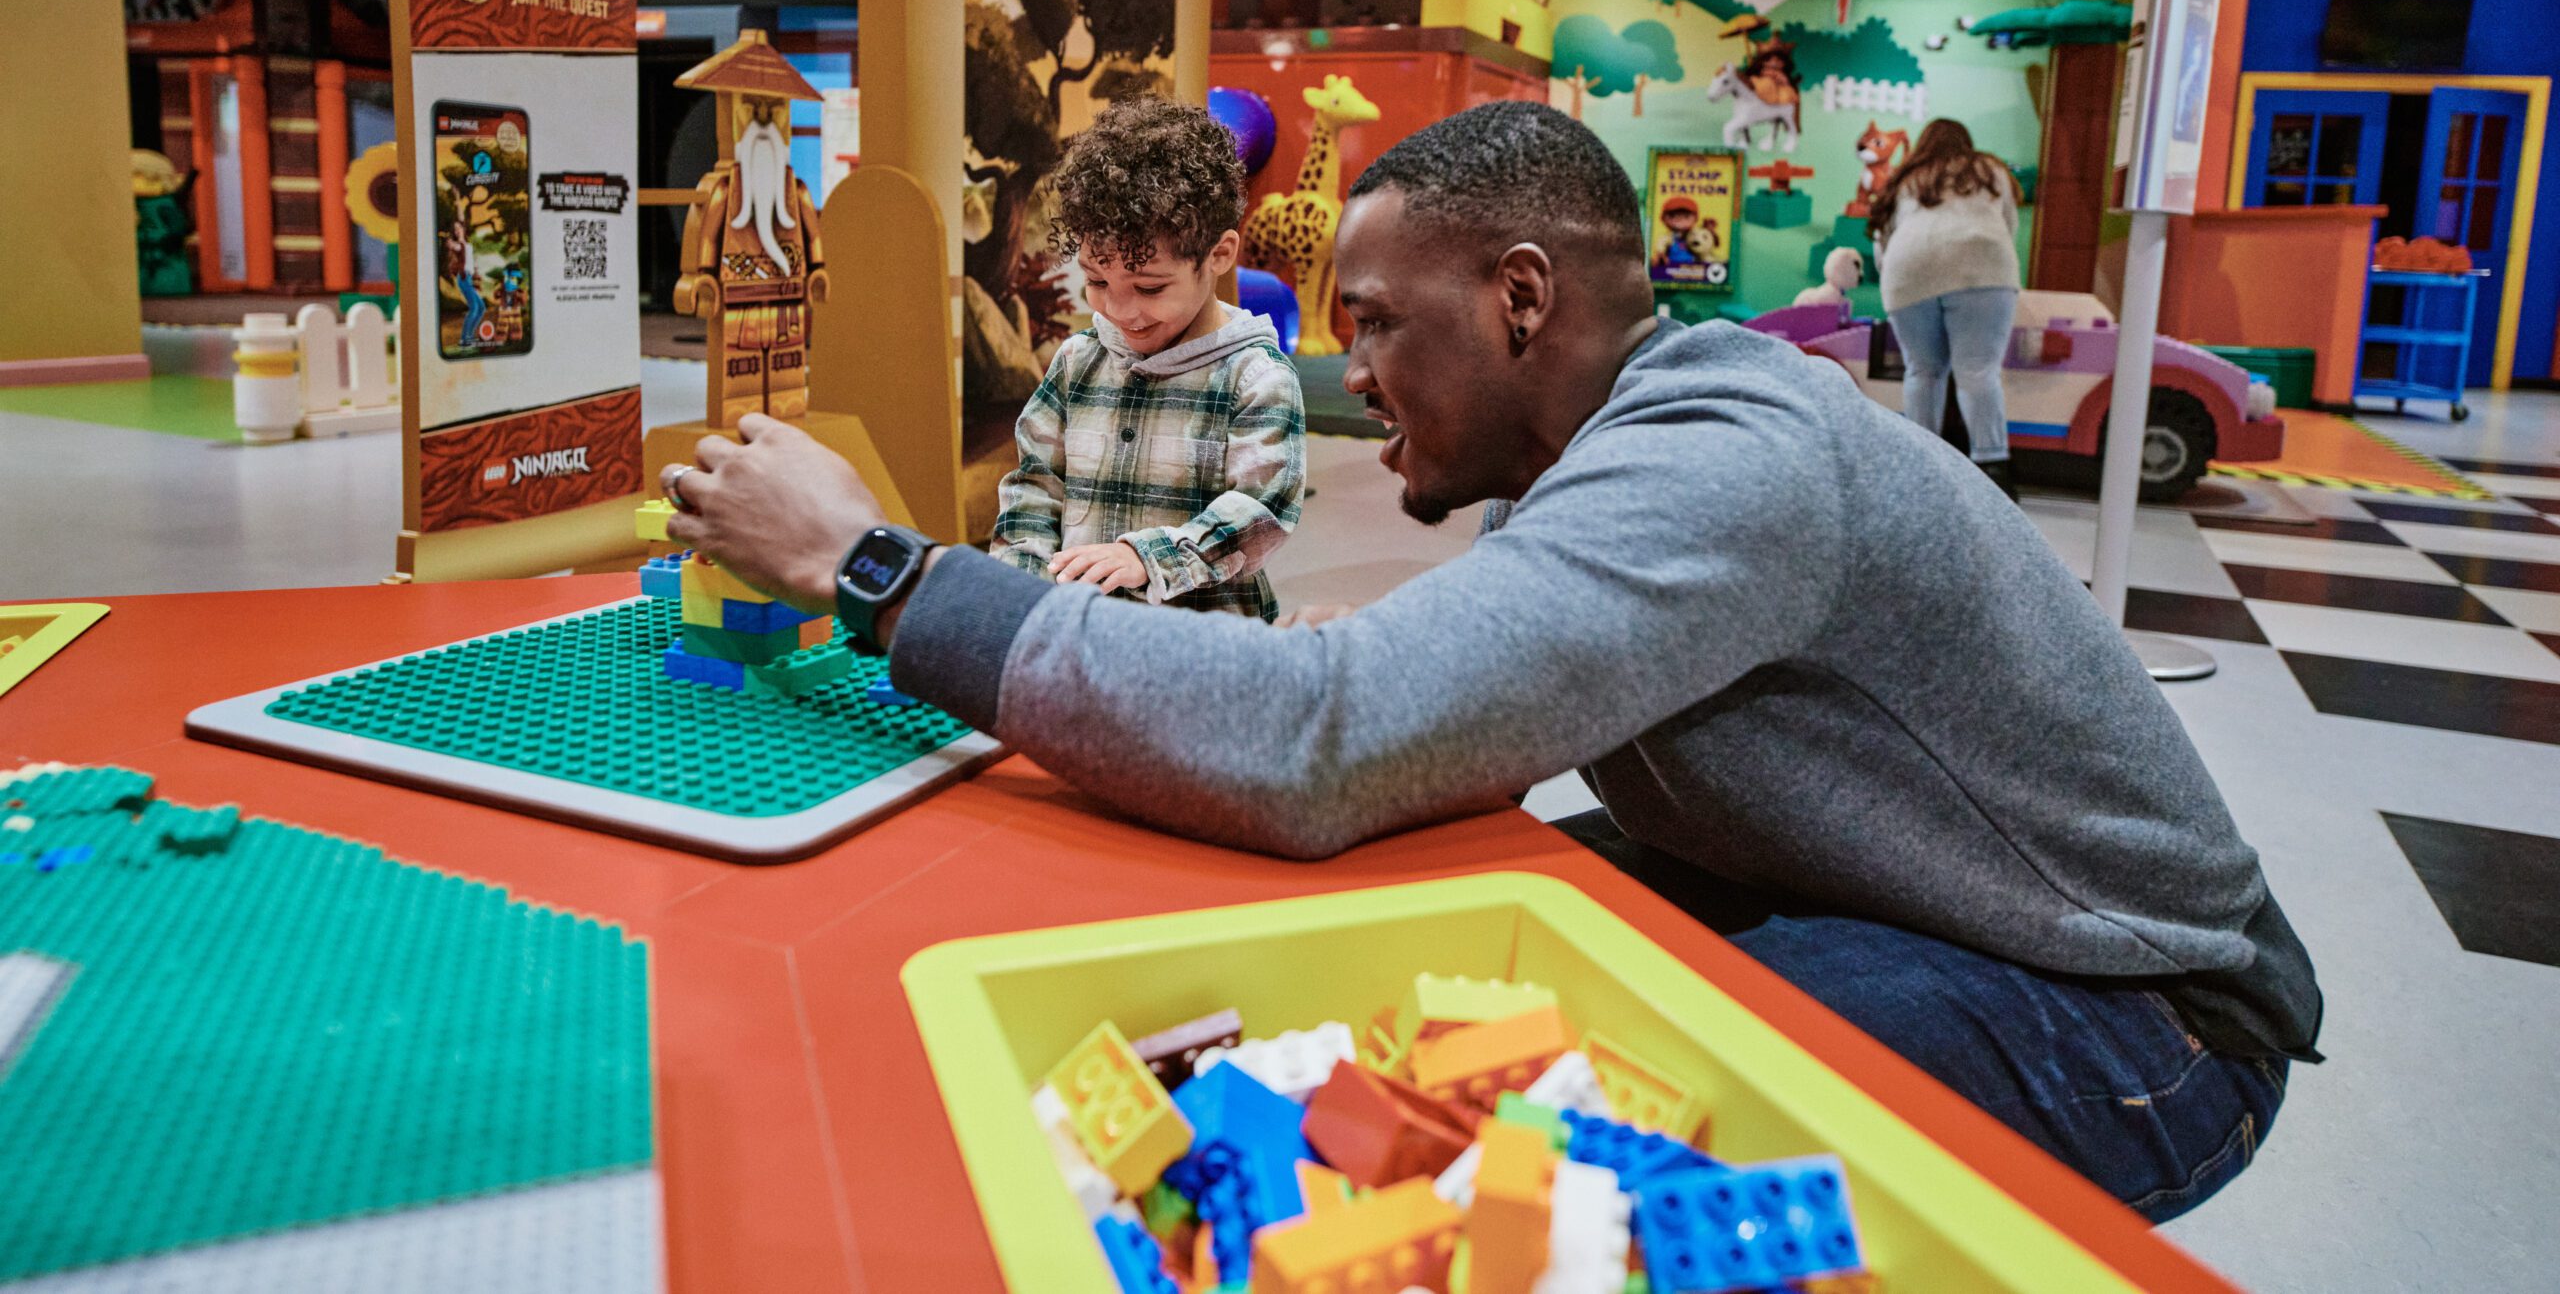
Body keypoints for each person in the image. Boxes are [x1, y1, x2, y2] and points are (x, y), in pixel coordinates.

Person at [662, 100, 2319, 1221]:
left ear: (1521, 299)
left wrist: (874, 569)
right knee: (1424, 1020)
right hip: (1895, 906)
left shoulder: (1722, 460)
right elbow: (1390, 717)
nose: (1350, 371)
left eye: (1376, 321)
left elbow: (1325, 739)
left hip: (2133, 1013)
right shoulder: (1619, 450)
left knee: (1531, 1162)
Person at [988, 96, 1306, 620]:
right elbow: (1035, 484)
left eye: (1150, 287)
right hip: (1083, 633)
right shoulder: (1077, 362)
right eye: (1096, 281)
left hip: (1205, 648)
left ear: (1219, 255)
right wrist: (1024, 581)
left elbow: (1263, 508)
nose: (1119, 309)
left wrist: (1150, 557)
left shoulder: (1256, 376)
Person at [1867, 118, 2025, 496]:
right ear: (1966, 143)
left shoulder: (1907, 177)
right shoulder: (1989, 170)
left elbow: (1881, 243)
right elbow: (2008, 227)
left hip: (1909, 272)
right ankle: (1992, 467)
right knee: (1979, 371)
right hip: (1982, 268)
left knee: (1923, 371)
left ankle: (1922, 468)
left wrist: (1894, 274)